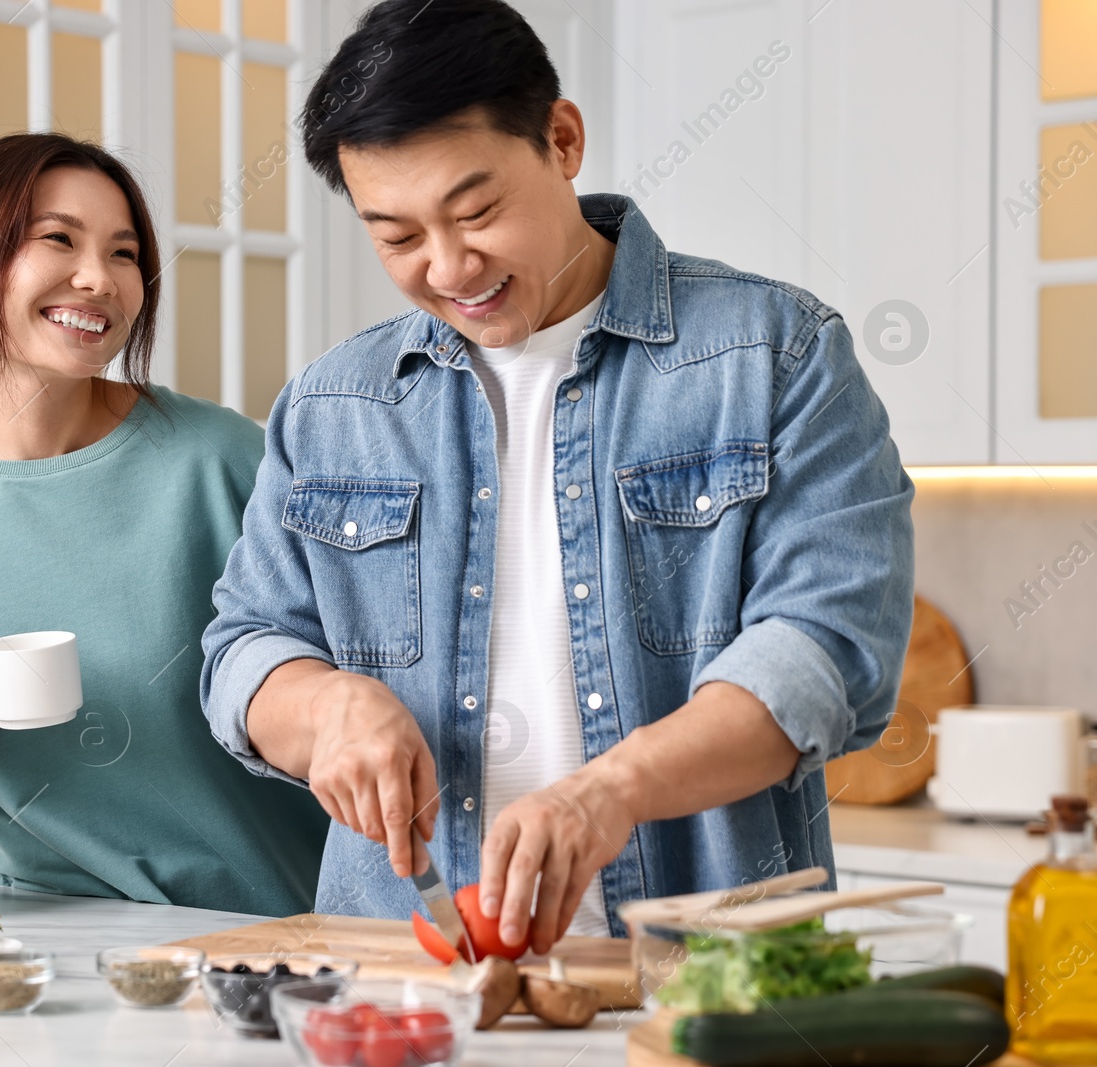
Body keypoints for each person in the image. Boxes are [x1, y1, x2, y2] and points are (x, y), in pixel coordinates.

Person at [201, 0, 914, 951]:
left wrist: (606, 793)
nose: (450, 266)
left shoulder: (774, 356)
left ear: (563, 140)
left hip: (702, 971)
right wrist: (325, 706)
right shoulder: (335, 404)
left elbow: (824, 651)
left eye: (478, 211)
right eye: (397, 237)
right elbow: (243, 649)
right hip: (402, 972)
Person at [0, 132, 327, 915]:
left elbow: (335, 671)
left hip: (250, 930)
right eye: (59, 239)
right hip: (22, 934)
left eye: (124, 254)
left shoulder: (223, 460)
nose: (99, 278)